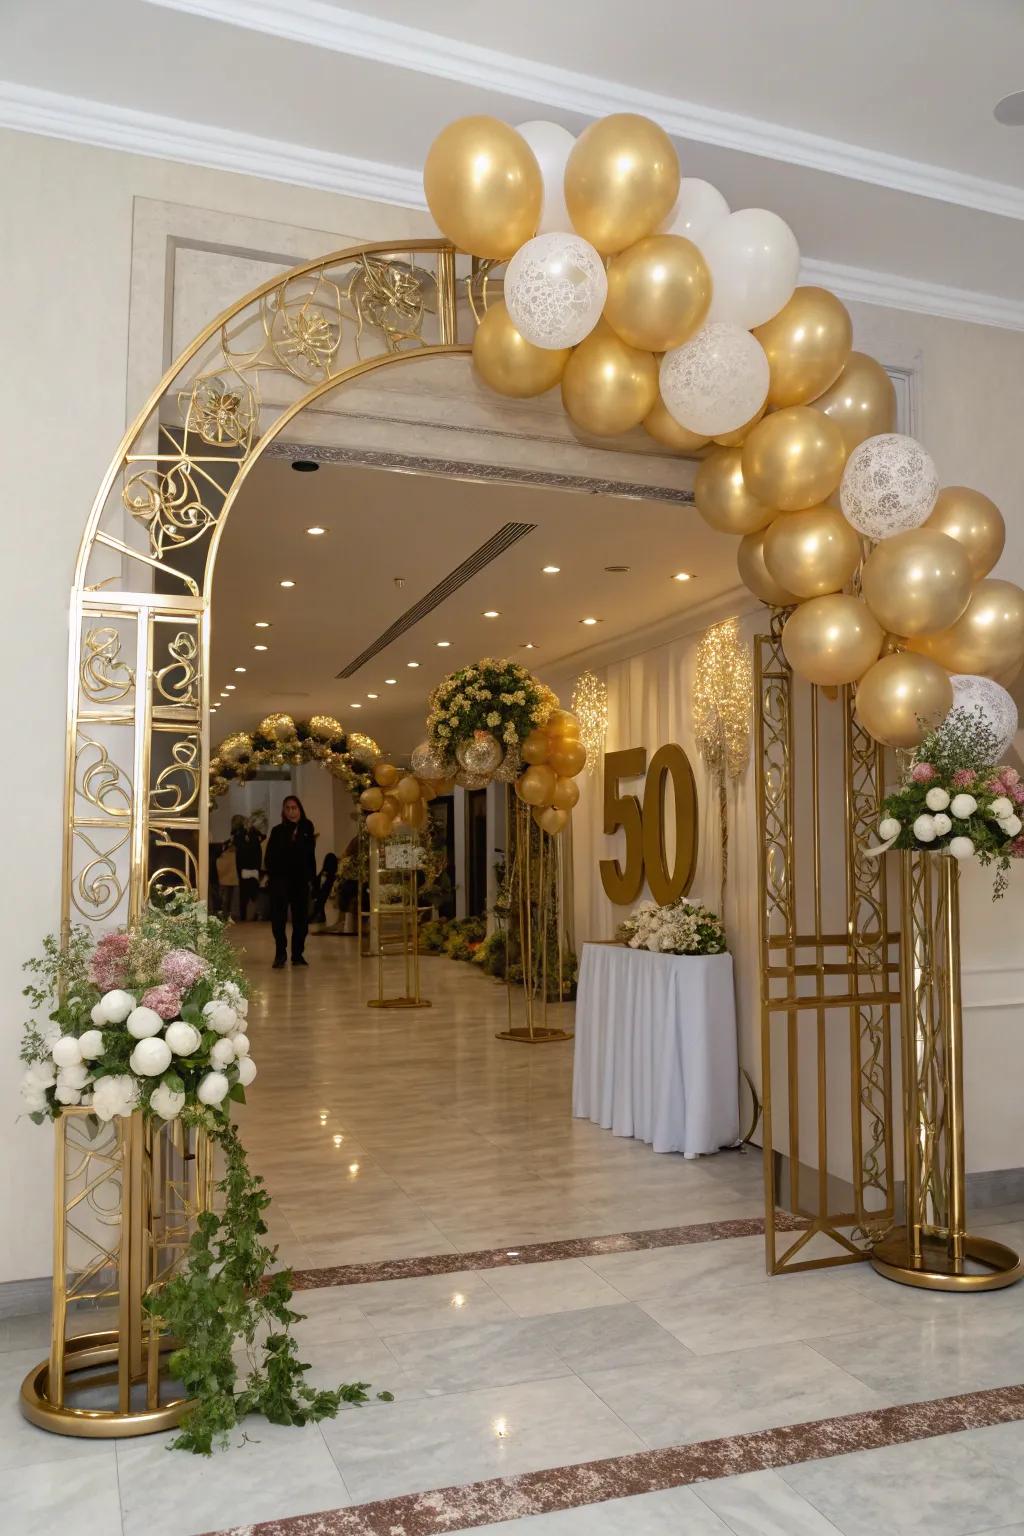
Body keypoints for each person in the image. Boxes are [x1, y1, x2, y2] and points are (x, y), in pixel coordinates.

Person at [264, 795, 317, 968]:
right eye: (288, 808)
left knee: (301, 919)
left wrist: (312, 879)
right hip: (280, 880)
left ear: (300, 809)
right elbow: (270, 856)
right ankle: (280, 953)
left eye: (294, 808)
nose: (291, 811)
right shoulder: (277, 830)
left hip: (300, 880)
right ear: (283, 811)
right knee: (278, 919)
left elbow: (309, 855)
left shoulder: (307, 827)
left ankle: (297, 954)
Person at [234, 818, 264, 922]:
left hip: (248, 869)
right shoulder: (243, 836)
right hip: (248, 869)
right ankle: (247, 916)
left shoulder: (253, 837)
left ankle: (250, 915)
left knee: (250, 894)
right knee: (247, 895)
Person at [310, 851, 339, 925]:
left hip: (322, 897)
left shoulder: (324, 875)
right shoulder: (331, 876)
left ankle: (315, 915)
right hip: (322, 896)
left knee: (320, 899)